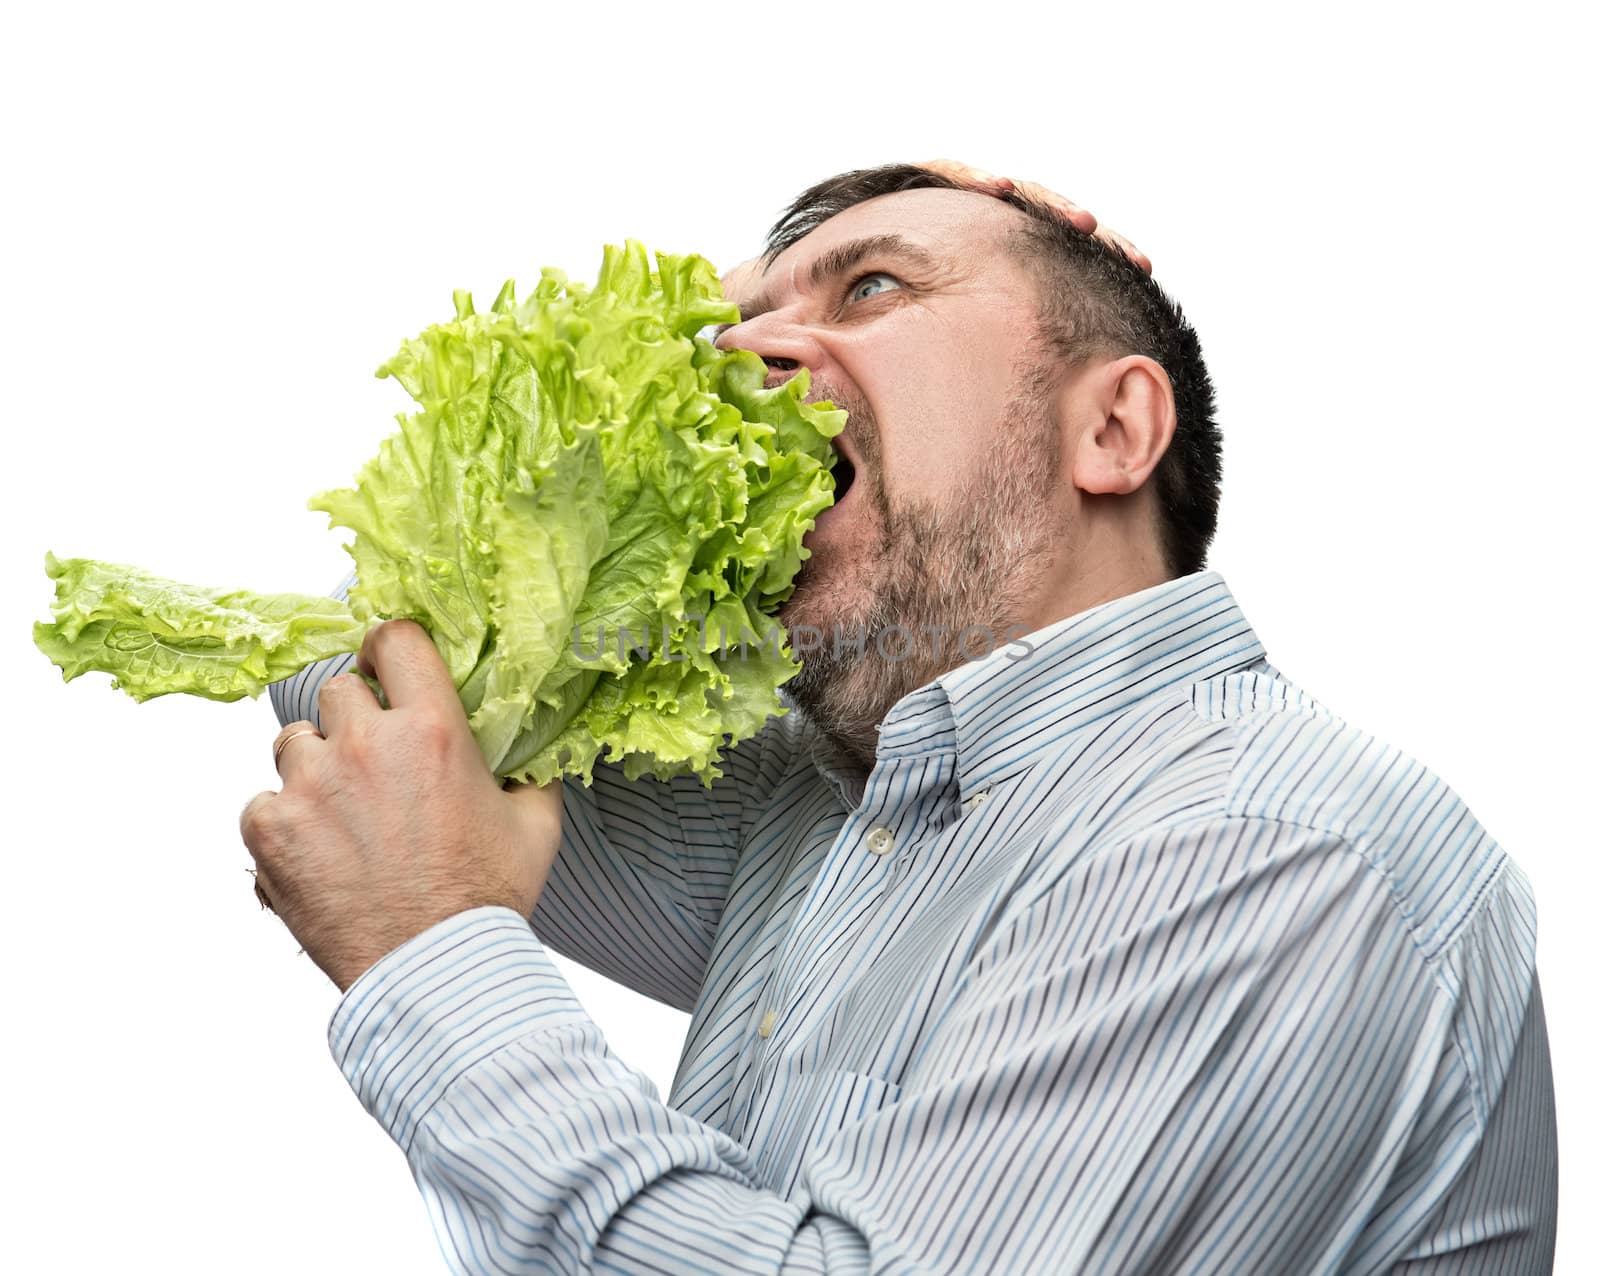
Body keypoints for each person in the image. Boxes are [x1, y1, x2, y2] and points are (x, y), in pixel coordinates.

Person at [248, 160, 1559, 1273]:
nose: (741, 361)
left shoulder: (1257, 841)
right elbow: (358, 669)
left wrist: (429, 950)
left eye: (874, 286)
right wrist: (655, 347)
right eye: (738, 331)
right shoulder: (831, 809)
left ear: (1113, 426)